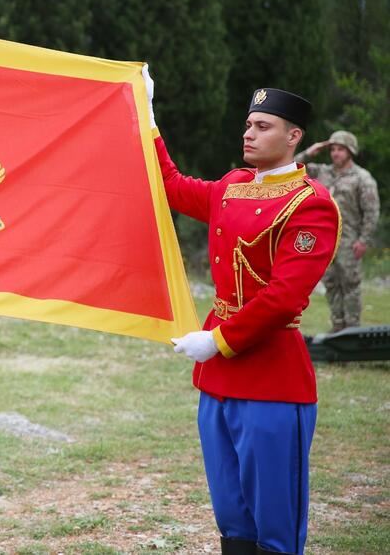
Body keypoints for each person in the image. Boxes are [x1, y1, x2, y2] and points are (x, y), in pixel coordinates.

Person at [147, 74, 340, 555]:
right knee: (231, 514)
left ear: (293, 136)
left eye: (263, 126)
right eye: (248, 124)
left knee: (275, 518)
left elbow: (283, 298)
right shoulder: (232, 186)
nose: (248, 134)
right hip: (217, 379)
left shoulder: (310, 205)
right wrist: (145, 116)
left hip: (271, 379)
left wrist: (216, 340)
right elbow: (168, 185)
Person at [294, 130, 380, 332]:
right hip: (324, 239)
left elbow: (371, 212)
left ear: (350, 151)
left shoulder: (362, 178)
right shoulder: (322, 172)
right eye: (332, 149)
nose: (335, 153)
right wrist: (310, 152)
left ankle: (352, 330)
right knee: (331, 283)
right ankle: (338, 327)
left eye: (340, 149)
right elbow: (292, 168)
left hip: (349, 241)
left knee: (350, 284)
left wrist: (364, 240)